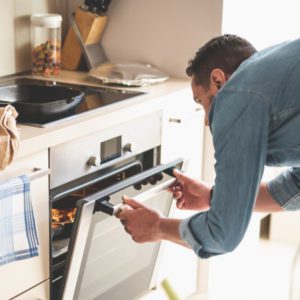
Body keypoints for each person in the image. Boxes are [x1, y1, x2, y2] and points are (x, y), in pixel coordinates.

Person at [116, 34, 300, 258]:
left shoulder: (236, 94)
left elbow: (223, 234)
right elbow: (295, 188)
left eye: (201, 101)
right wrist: (213, 197)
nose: (207, 120)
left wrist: (158, 227)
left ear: (218, 80)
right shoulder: (272, 78)